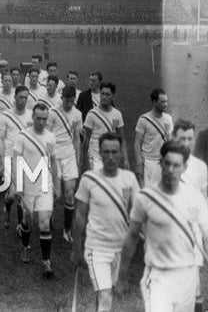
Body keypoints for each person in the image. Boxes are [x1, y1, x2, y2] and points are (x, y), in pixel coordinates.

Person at [116, 141, 208, 312]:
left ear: (185, 167)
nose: (171, 170)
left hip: (186, 277)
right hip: (158, 277)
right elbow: (132, 236)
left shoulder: (195, 198)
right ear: (161, 164)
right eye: (167, 163)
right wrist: (121, 275)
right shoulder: (145, 198)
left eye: (176, 165)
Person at [71, 133, 139, 311]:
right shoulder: (89, 179)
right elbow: (79, 216)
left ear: (121, 154)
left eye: (114, 152)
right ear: (100, 153)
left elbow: (139, 212)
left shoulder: (129, 179)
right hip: (97, 248)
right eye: (106, 152)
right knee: (105, 296)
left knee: (104, 294)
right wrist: (76, 248)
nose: (110, 157)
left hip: (120, 249)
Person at [11, 103, 58, 278]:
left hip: (45, 185)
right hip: (28, 185)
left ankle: (46, 262)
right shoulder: (22, 137)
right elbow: (16, 160)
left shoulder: (51, 137)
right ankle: (25, 246)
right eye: (38, 118)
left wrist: (57, 184)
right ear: (33, 118)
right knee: (28, 221)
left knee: (44, 223)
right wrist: (18, 185)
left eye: (44, 119)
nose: (41, 121)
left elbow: (53, 162)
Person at [173, 119, 208, 310]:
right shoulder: (164, 164)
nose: (186, 143)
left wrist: (205, 234)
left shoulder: (201, 168)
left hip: (192, 234)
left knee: (194, 287)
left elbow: (204, 202)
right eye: (182, 138)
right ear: (173, 138)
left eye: (190, 138)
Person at [47, 86, 82, 242]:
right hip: (54, 156)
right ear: (62, 98)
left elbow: (76, 138)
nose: (69, 103)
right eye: (66, 100)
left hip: (69, 156)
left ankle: (67, 230)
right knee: (55, 193)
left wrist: (78, 159)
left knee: (69, 192)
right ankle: (48, 221)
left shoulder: (77, 114)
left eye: (71, 100)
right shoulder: (53, 113)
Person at [0, 86, 32, 229]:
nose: (23, 100)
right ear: (15, 97)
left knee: (21, 195)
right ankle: (7, 208)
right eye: (21, 97)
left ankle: (20, 226)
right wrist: (1, 160)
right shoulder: (6, 116)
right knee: (12, 194)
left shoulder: (31, 115)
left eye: (25, 98)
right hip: (10, 158)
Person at [82, 82, 129, 172]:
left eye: (107, 94)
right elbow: (86, 139)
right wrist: (85, 161)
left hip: (111, 154)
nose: (104, 97)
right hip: (95, 155)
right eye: (102, 94)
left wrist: (126, 159)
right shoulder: (92, 114)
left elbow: (122, 138)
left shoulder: (117, 114)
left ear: (113, 96)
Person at [134, 88, 173, 187]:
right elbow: (137, 143)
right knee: (148, 193)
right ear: (154, 102)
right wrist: (139, 164)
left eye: (166, 101)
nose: (165, 104)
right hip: (148, 163)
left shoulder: (168, 119)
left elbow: (169, 142)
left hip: (163, 162)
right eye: (162, 102)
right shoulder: (143, 119)